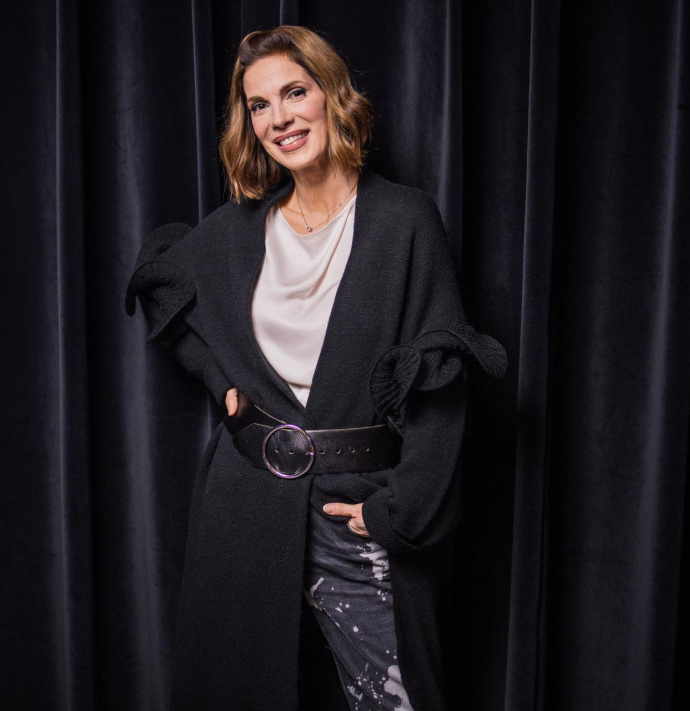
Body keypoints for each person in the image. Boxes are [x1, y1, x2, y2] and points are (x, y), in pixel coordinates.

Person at [127, 25, 506, 710]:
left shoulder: (403, 220)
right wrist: (222, 382)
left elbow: (440, 379)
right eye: (259, 105)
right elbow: (161, 286)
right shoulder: (234, 232)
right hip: (244, 508)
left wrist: (399, 513)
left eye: (294, 93)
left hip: (354, 511)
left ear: (331, 95)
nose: (279, 118)